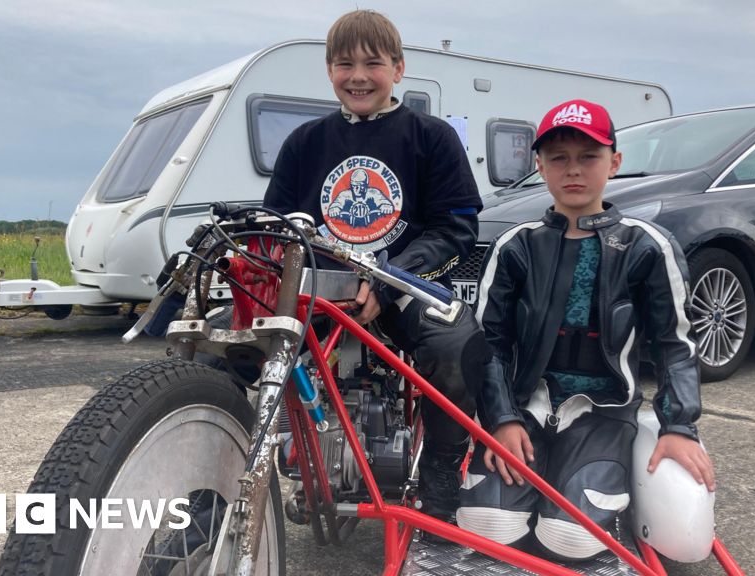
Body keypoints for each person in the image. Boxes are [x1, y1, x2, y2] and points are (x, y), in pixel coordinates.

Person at [457, 98, 715, 560]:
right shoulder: (515, 246)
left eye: (588, 156)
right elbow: (488, 344)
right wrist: (500, 420)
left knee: (570, 540)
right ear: (540, 166)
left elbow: (676, 344)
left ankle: (579, 481)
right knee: (487, 526)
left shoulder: (648, 247)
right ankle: (532, 474)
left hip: (604, 412)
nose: (572, 170)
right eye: (558, 158)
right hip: (526, 408)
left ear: (613, 162)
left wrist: (679, 426)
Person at [262, 10, 489, 523]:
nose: (358, 76)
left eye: (373, 62)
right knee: (227, 344)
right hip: (320, 291)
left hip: (405, 287)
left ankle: (439, 484)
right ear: (329, 71)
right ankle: (220, 482)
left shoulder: (432, 137)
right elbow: (276, 227)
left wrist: (391, 281)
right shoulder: (304, 143)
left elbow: (456, 228)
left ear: (399, 68)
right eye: (345, 64)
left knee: (457, 348)